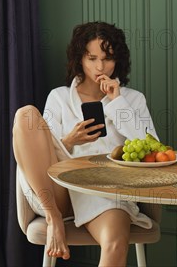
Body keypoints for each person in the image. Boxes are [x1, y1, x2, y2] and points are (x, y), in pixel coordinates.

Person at [12, 21, 158, 266]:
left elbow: (152, 150)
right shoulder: (59, 97)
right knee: (26, 115)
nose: (100, 67)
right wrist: (69, 141)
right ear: (79, 59)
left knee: (115, 243)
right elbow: (39, 155)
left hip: (104, 192)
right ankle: (53, 219)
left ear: (117, 60)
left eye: (108, 58)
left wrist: (116, 102)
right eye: (92, 58)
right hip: (56, 191)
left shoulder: (133, 99)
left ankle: (59, 217)